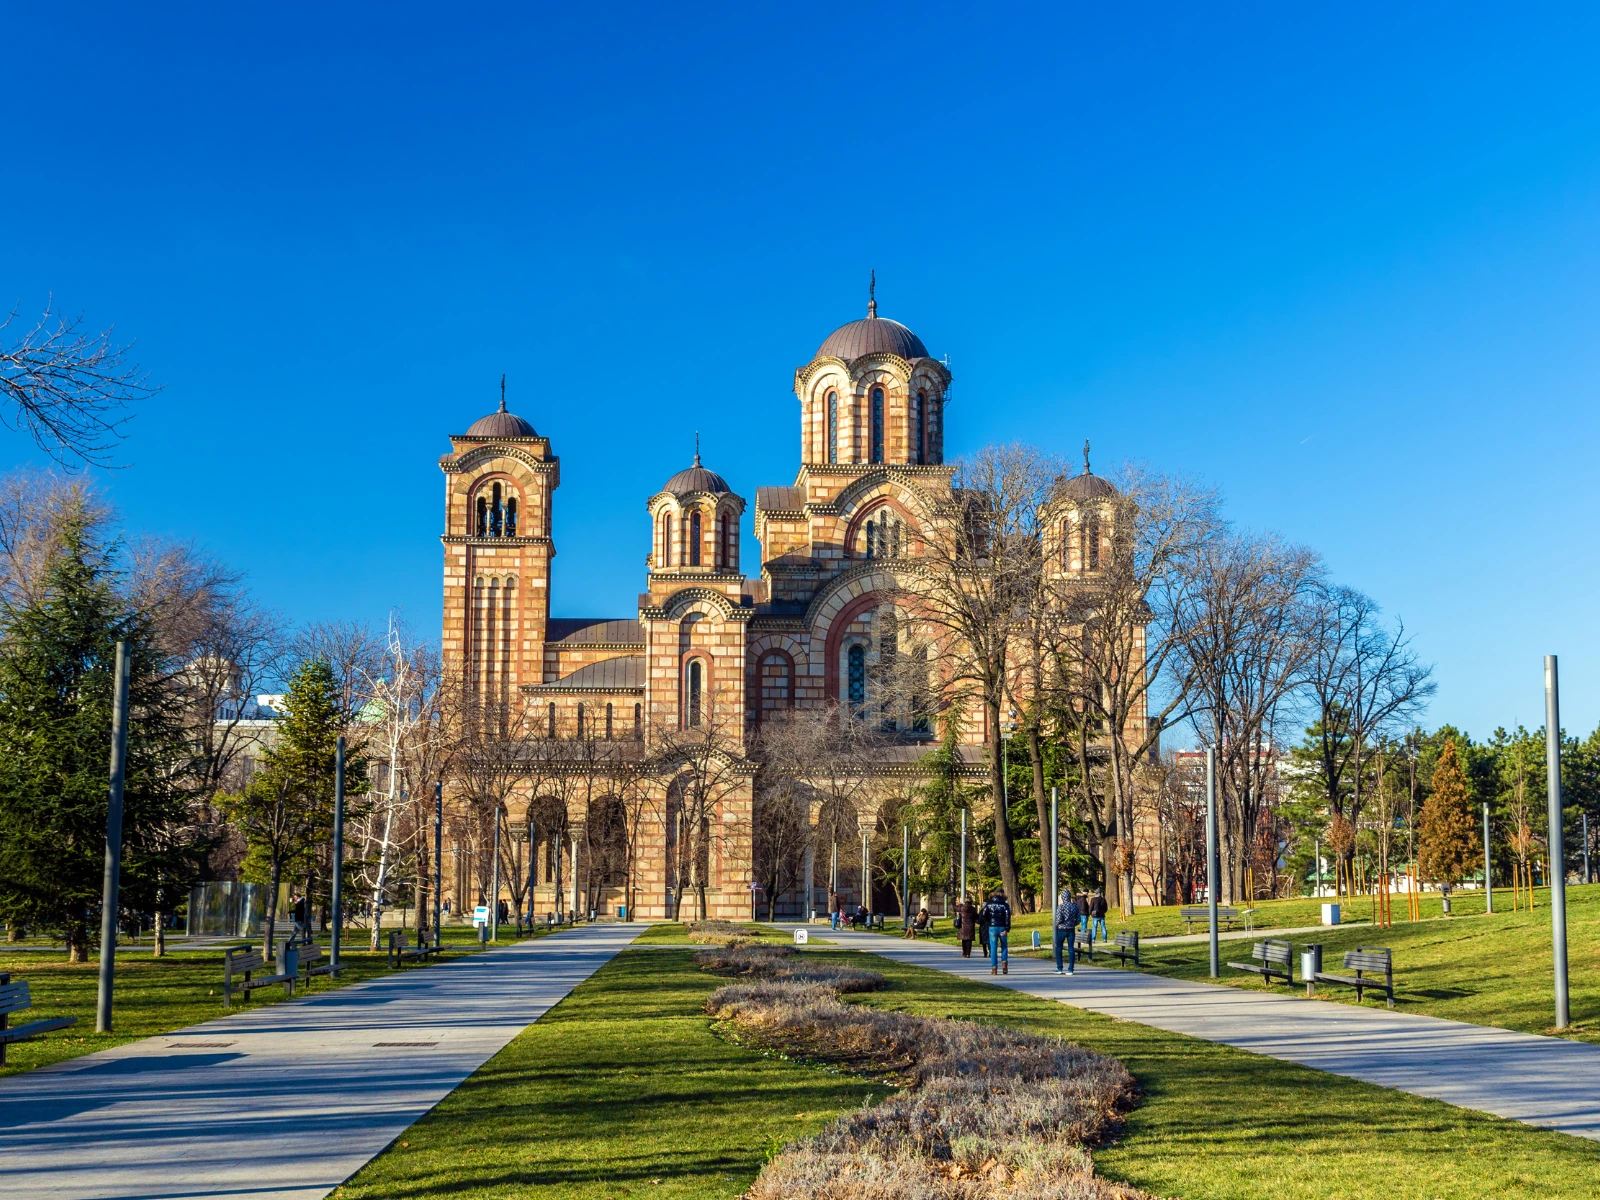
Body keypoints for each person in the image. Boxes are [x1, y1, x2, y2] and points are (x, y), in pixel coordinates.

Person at [980, 889, 1012, 975]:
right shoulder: (1005, 905)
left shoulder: (989, 904)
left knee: (993, 948)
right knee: (1004, 946)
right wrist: (1007, 929)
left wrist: (989, 921)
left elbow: (983, 915)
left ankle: (994, 969)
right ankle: (1004, 963)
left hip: (992, 927)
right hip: (1002, 927)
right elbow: (1007, 918)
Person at [1053, 888, 1082, 975]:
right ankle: (1070, 969)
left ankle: (1060, 968)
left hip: (1062, 929)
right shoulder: (1075, 906)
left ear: (1062, 897)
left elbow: (1058, 919)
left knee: (1059, 948)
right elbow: (1079, 919)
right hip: (1071, 930)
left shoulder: (1060, 907)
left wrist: (1058, 924)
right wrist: (1073, 924)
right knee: (1071, 948)